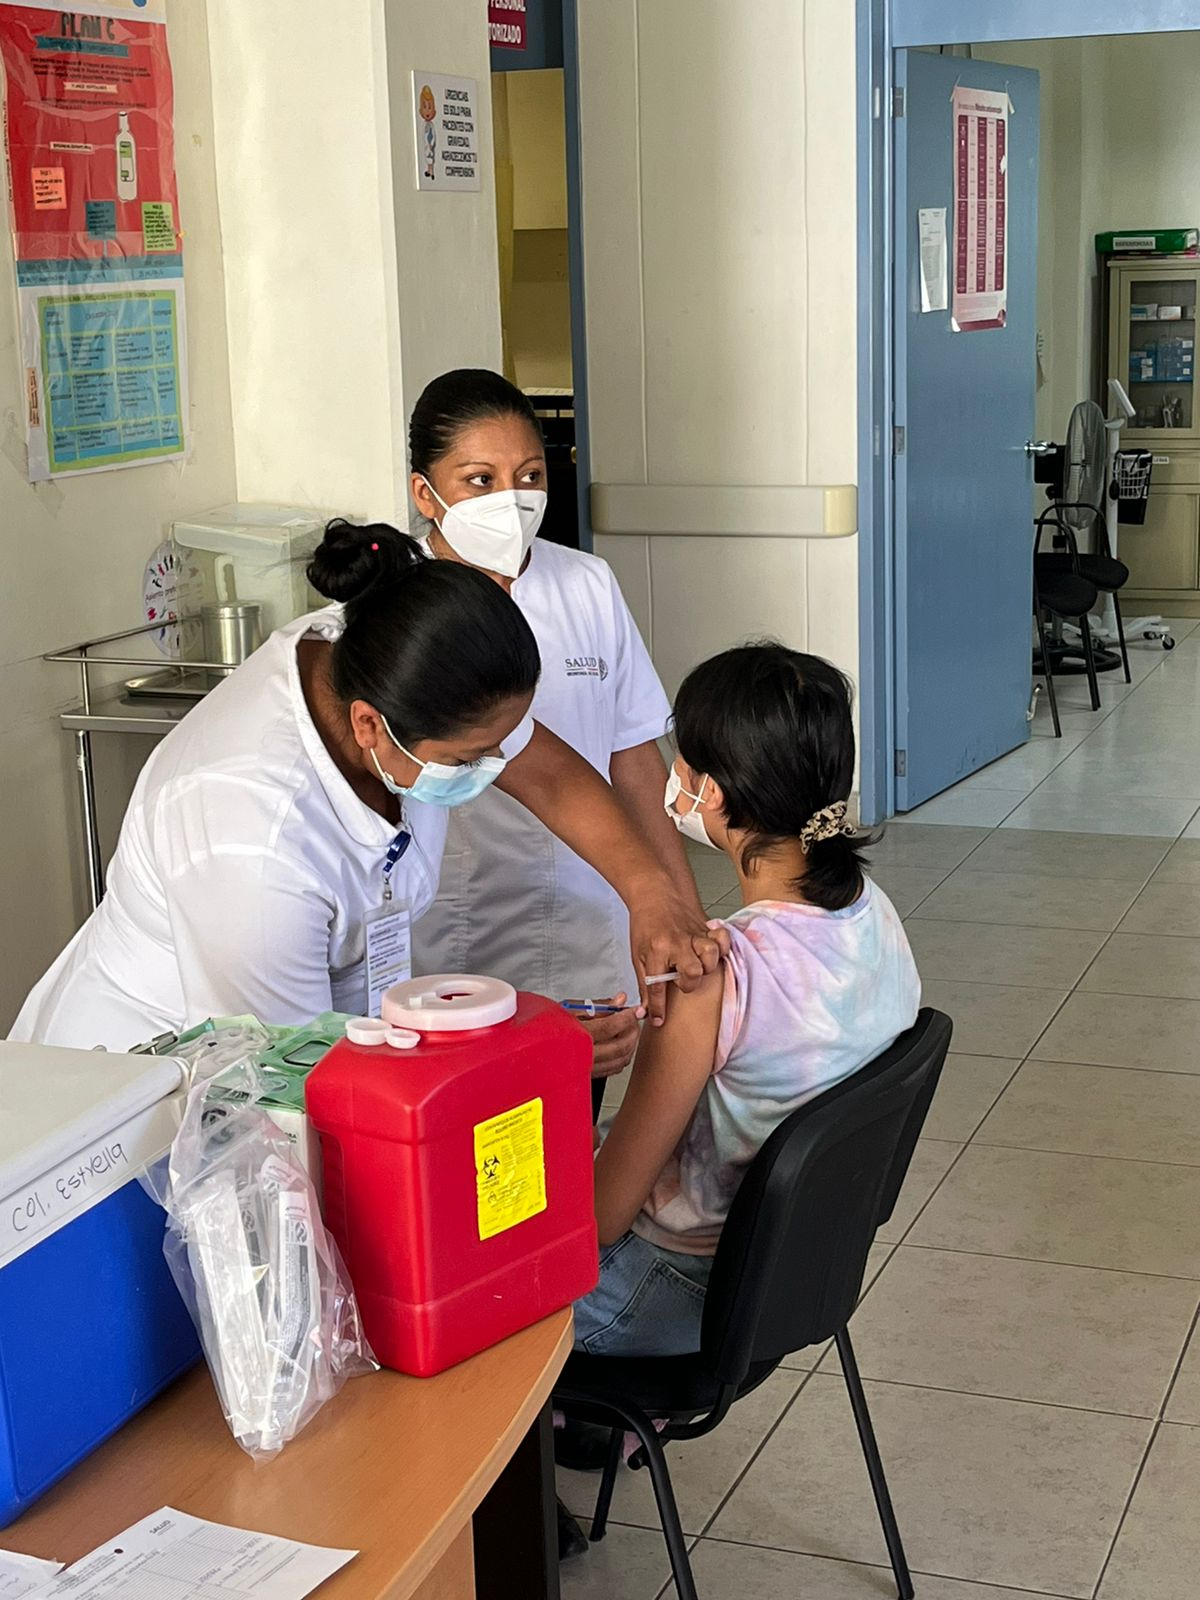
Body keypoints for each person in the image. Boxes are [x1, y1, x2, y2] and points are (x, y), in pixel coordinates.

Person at [11, 523, 723, 1052]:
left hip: (318, 1052)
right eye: (467, 757)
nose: (491, 767)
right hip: (142, 1097)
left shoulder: (382, 655)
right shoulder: (253, 841)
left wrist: (650, 892)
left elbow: (550, 774)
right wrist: (514, 1053)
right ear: (369, 725)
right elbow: (294, 1085)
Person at [573, 642, 922, 1358]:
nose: (672, 776)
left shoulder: (711, 974)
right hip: (796, 1276)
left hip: (673, 1289)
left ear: (714, 792)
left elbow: (604, 1217)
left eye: (681, 760)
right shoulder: (875, 913)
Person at [408, 370, 698, 1087]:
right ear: (425, 493)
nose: (509, 500)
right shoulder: (402, 611)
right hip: (455, 928)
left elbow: (633, 756)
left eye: (529, 476)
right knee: (467, 1122)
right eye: (480, 480)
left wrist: (678, 909)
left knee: (571, 1114)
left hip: (588, 914)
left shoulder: (587, 583)